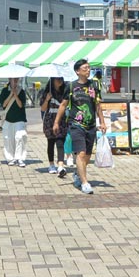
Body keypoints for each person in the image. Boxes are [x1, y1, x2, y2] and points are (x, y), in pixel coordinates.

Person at [55, 59, 106, 194]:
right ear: (77, 71)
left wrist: (102, 122)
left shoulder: (94, 86)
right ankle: (85, 182)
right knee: (81, 153)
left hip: (91, 126)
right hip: (76, 124)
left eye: (89, 68)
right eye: (85, 68)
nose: (88, 70)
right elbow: (63, 105)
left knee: (87, 155)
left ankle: (78, 174)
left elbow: (98, 105)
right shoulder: (71, 86)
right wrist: (56, 122)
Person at [40, 77, 69, 177]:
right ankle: (51, 164)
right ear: (52, 81)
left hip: (61, 120)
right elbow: (43, 108)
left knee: (60, 142)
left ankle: (60, 165)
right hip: (50, 120)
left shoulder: (65, 92)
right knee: (51, 142)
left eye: (61, 79)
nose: (59, 81)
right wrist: (47, 99)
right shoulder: (47, 92)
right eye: (57, 79)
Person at [0, 77, 28, 166]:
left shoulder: (21, 91)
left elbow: (20, 105)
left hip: (19, 119)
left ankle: (19, 158)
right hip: (8, 119)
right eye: (13, 79)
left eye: (17, 79)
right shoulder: (4, 91)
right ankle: (10, 158)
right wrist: (11, 93)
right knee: (8, 139)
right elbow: (4, 104)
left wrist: (15, 95)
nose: (15, 81)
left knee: (20, 137)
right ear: (9, 79)